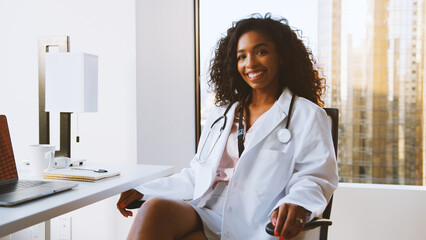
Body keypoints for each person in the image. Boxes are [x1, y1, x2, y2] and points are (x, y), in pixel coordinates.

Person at [117, 13, 338, 240]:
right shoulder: (222, 113)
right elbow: (196, 173)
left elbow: (316, 177)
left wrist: (297, 202)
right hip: (207, 210)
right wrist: (147, 191)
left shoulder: (307, 115)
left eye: (261, 52)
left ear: (281, 56)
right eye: (242, 56)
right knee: (154, 209)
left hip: (257, 218)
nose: (250, 63)